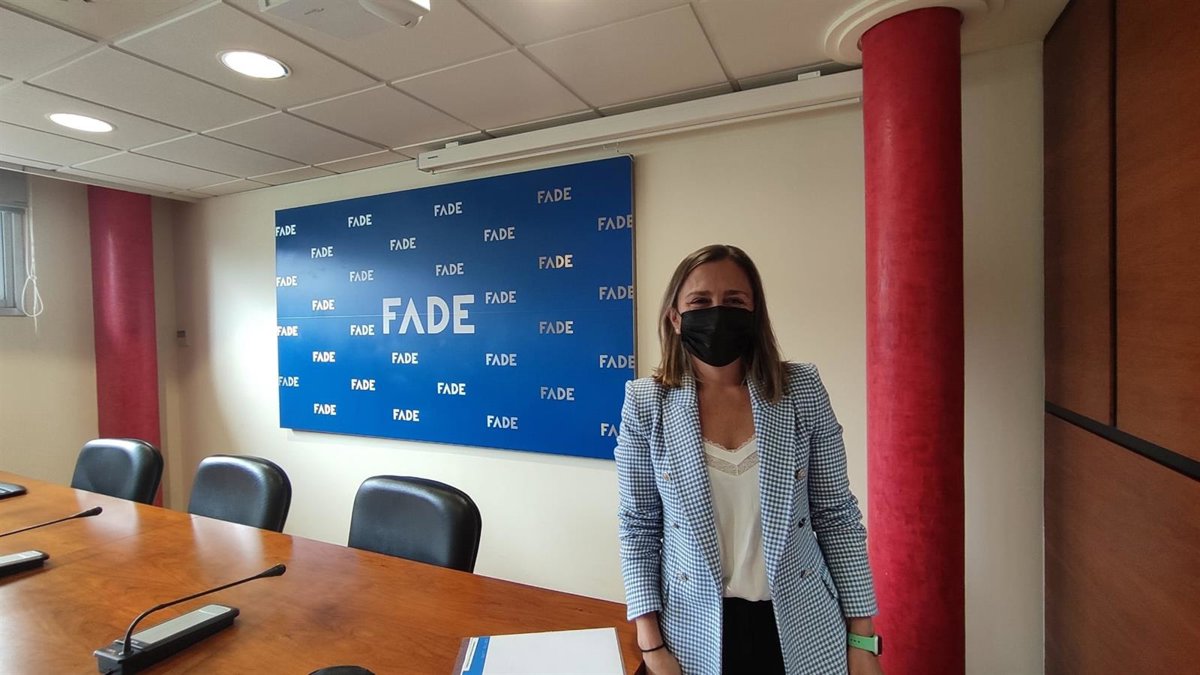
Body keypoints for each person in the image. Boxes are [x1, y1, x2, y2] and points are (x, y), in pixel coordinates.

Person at [615, 244, 883, 675]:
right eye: (700, 302)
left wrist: (862, 639)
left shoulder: (802, 390)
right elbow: (638, 527)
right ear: (675, 317)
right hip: (691, 632)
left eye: (734, 301)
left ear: (755, 313)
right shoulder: (647, 404)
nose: (717, 314)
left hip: (803, 625)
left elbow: (837, 517)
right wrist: (651, 645)